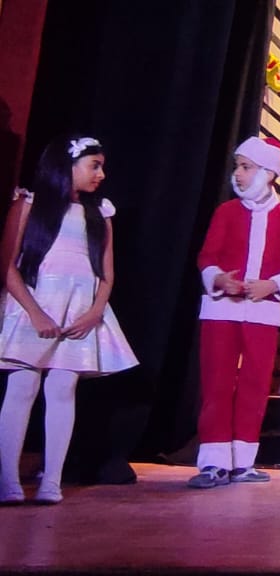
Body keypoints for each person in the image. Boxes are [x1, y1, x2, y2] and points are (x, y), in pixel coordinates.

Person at [0, 136, 138, 504]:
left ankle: (51, 481)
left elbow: (106, 274)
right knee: (22, 387)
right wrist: (35, 312)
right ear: (68, 166)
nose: (101, 174)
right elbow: (8, 267)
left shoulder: (99, 214)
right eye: (94, 166)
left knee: (63, 389)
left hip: (78, 313)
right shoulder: (28, 205)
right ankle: (7, 480)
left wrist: (94, 312)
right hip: (35, 308)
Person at [189, 137, 280, 488]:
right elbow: (206, 257)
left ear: (268, 173)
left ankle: (243, 461)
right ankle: (214, 462)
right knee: (217, 382)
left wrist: (272, 285)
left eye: (246, 167)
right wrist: (218, 279)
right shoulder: (226, 212)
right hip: (221, 310)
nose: (238, 174)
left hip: (262, 313)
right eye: (237, 167)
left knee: (255, 385)